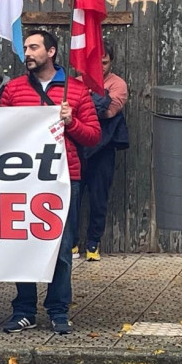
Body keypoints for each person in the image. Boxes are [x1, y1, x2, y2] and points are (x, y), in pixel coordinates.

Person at [0, 29, 99, 335]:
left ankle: (58, 310)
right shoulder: (13, 90)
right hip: (23, 178)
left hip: (65, 179)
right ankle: (24, 309)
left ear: (51, 52)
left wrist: (72, 122)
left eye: (34, 47)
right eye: (25, 48)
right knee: (23, 244)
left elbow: (93, 136)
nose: (27, 53)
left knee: (62, 246)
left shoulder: (77, 91)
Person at [77, 43, 129, 261]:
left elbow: (109, 112)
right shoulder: (79, 82)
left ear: (111, 62)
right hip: (79, 144)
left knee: (99, 198)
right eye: (96, 61)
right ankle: (70, 243)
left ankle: (92, 243)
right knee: (74, 195)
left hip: (103, 147)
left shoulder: (118, 84)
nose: (101, 66)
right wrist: (96, 101)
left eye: (105, 62)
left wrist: (84, 105)